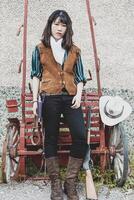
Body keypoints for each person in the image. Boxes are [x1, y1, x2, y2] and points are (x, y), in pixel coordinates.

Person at [31, 10, 88, 200]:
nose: (60, 28)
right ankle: (55, 184)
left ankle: (69, 181)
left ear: (67, 28)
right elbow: (35, 76)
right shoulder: (40, 49)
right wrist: (34, 100)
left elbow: (79, 77)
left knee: (80, 136)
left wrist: (79, 95)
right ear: (50, 25)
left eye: (63, 25)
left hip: (71, 97)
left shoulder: (74, 50)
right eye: (56, 24)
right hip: (50, 97)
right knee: (51, 139)